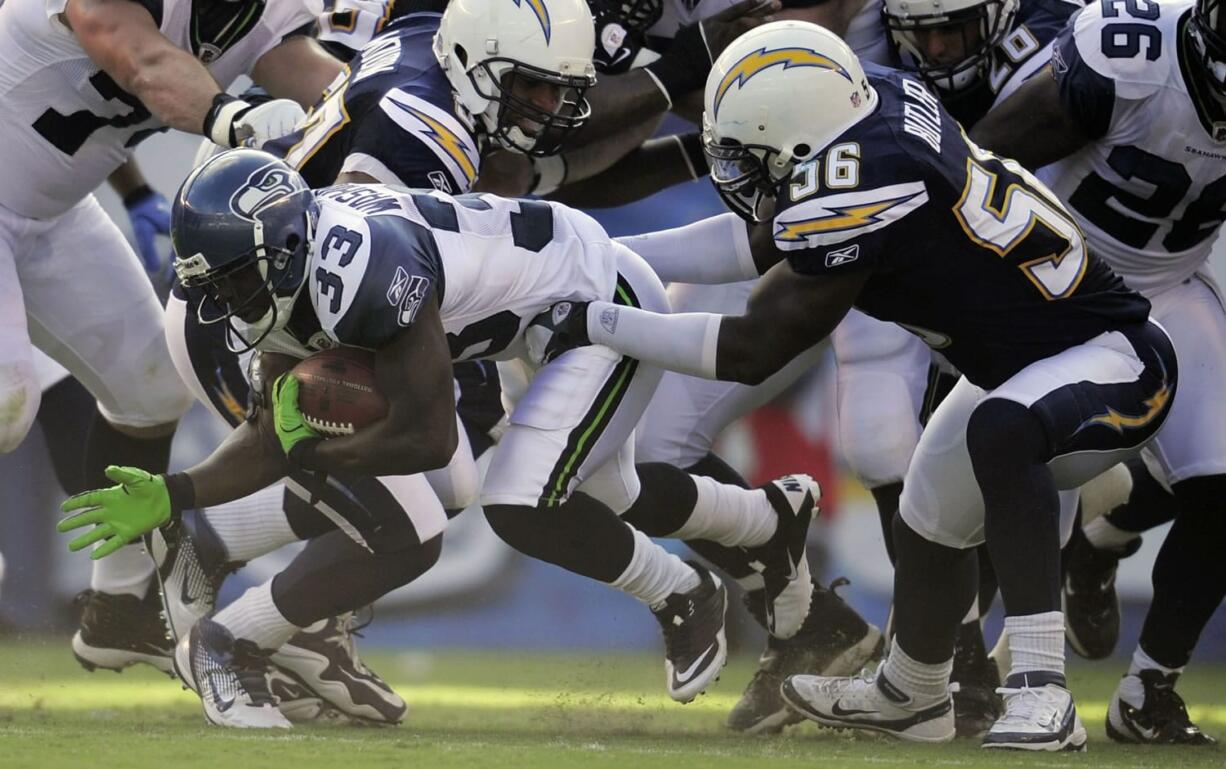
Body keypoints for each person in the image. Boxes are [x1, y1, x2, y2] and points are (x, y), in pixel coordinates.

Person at [528, 20, 1177, 750]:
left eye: (751, 150)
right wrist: (601, 258)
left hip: (1115, 362)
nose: (742, 169)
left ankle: (1039, 689)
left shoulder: (866, 174)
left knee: (998, 429)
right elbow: (759, 240)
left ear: (805, 135)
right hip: (1035, 362)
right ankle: (914, 692)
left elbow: (753, 344)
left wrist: (595, 319)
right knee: (927, 515)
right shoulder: (876, 108)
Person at [59, 149, 820, 715]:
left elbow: (423, 437)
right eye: (213, 284)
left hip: (588, 304)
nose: (226, 300)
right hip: (525, 318)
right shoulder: (291, 273)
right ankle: (764, 518)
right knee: (607, 488)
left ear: (285, 249)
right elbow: (267, 436)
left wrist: (315, 451)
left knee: (524, 500)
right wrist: (173, 490)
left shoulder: (361, 272)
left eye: (233, 280)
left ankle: (682, 590)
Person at [0, 0, 341, 674]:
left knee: (152, 387)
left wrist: (401, 118)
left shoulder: (259, 13)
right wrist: (231, 117)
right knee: (8, 400)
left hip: (49, 214)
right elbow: (141, 59)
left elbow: (317, 84)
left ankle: (121, 606)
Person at [970, 0, 1226, 745]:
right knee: (986, 464)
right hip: (1062, 275)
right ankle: (945, 666)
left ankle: (1148, 688)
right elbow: (985, 157)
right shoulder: (1130, 56)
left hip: (1173, 283)